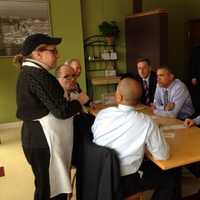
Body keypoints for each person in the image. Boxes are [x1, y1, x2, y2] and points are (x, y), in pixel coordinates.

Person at [14, 33, 82, 200]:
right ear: (38, 54)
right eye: (54, 51)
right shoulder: (37, 75)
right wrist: (78, 102)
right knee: (50, 190)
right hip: (42, 141)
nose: (58, 55)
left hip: (38, 139)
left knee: (47, 187)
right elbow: (62, 111)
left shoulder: (32, 72)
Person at [92, 78, 180, 200]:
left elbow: (96, 137)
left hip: (97, 173)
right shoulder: (146, 122)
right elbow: (163, 156)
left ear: (119, 96)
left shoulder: (103, 114)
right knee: (170, 178)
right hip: (124, 182)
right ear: (138, 101)